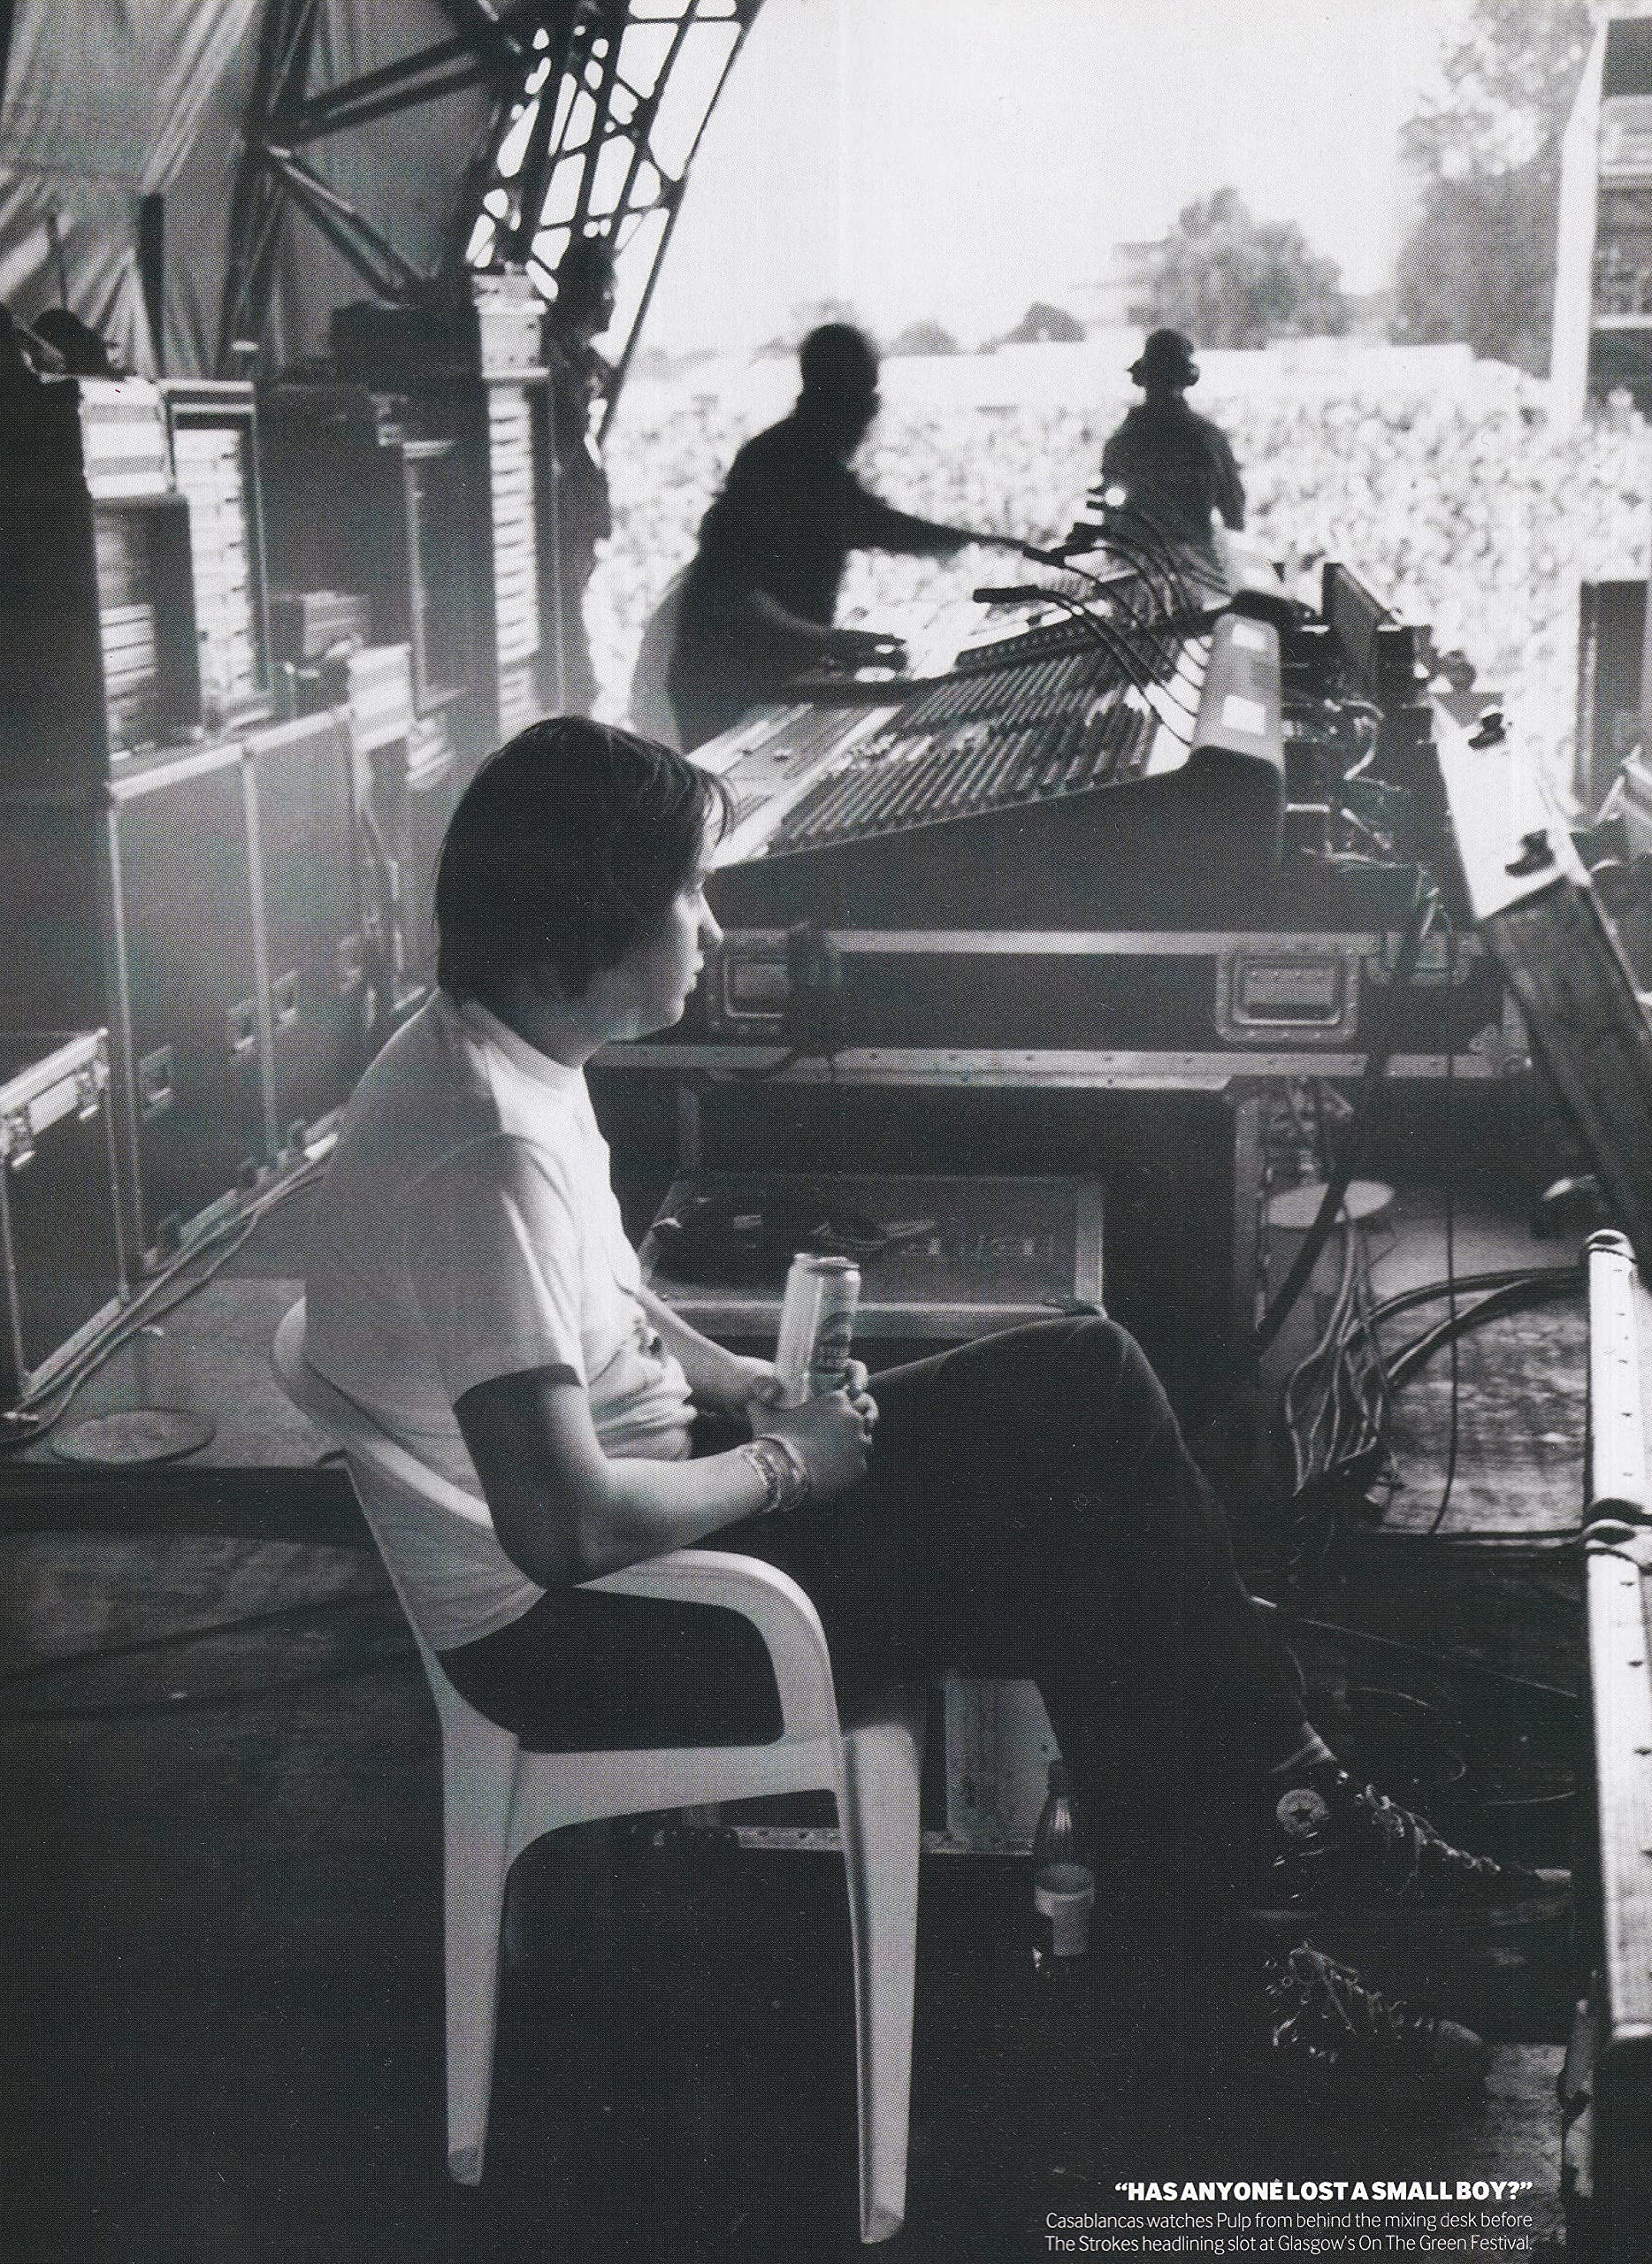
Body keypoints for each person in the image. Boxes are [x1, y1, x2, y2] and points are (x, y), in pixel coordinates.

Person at [303, 715, 1565, 2106]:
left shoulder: (498, 1053)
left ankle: (1258, 1887)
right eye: (686, 896)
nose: (713, 929)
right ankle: (1264, 1889)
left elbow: (597, 1302)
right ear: (568, 945)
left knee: (1087, 1420)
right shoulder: (483, 1159)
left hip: (645, 1538)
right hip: (596, 1640)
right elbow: (564, 1530)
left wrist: (733, 1383)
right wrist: (787, 1464)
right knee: (1097, 1514)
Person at [667, 323, 1022, 751]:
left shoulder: (800, 455)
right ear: (836, 398)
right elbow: (736, 594)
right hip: (724, 686)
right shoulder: (787, 463)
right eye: (864, 395)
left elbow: (879, 525)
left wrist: (986, 543)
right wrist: (832, 641)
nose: (872, 411)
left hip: (757, 675)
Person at [541, 235, 618, 715]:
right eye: (610, 290)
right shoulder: (554, 355)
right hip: (561, 516)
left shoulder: (576, 354)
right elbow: (564, 429)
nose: (614, 304)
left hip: (575, 515)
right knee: (565, 629)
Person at [1101, 326, 1246, 555]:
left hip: (1136, 566)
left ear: (1143, 378)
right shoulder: (1209, 439)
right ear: (1187, 379)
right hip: (1195, 567)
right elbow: (1234, 516)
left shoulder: (1121, 442)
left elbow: (1111, 522)